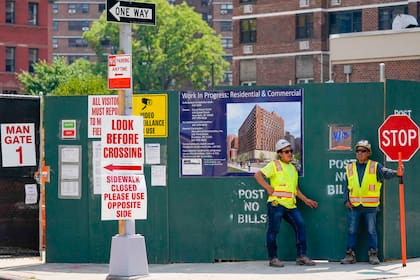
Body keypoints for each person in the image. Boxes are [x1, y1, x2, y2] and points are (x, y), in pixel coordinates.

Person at [254, 139, 318, 267]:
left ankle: (301, 256)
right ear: (280, 154)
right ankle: (273, 258)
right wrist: (267, 187)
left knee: (301, 225)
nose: (290, 153)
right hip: (276, 204)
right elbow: (257, 175)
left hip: (290, 205)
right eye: (286, 151)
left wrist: (306, 200)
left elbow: (295, 189)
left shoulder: (293, 168)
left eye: (290, 151)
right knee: (274, 230)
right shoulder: (274, 165)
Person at [340, 139, 403, 265]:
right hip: (354, 206)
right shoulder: (350, 167)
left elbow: (386, 173)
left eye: (363, 151)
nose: (360, 153)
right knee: (352, 231)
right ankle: (350, 255)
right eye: (358, 151)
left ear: (368, 153)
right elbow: (346, 185)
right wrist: (346, 200)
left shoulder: (375, 166)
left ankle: (373, 255)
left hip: (371, 207)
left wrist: (397, 173)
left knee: (371, 231)